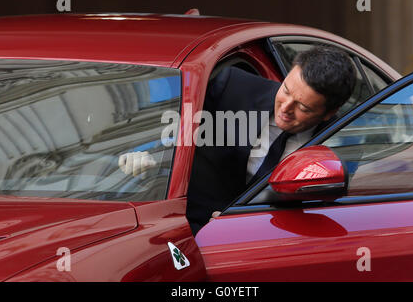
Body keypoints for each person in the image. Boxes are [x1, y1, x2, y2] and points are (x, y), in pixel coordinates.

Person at [119, 45, 356, 235]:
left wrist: (246, 225)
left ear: (328, 113)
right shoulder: (232, 87)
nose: (285, 108)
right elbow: (169, 118)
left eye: (303, 107)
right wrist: (146, 152)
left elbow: (325, 216)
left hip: (264, 244)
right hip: (186, 231)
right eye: (285, 90)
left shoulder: (340, 142)